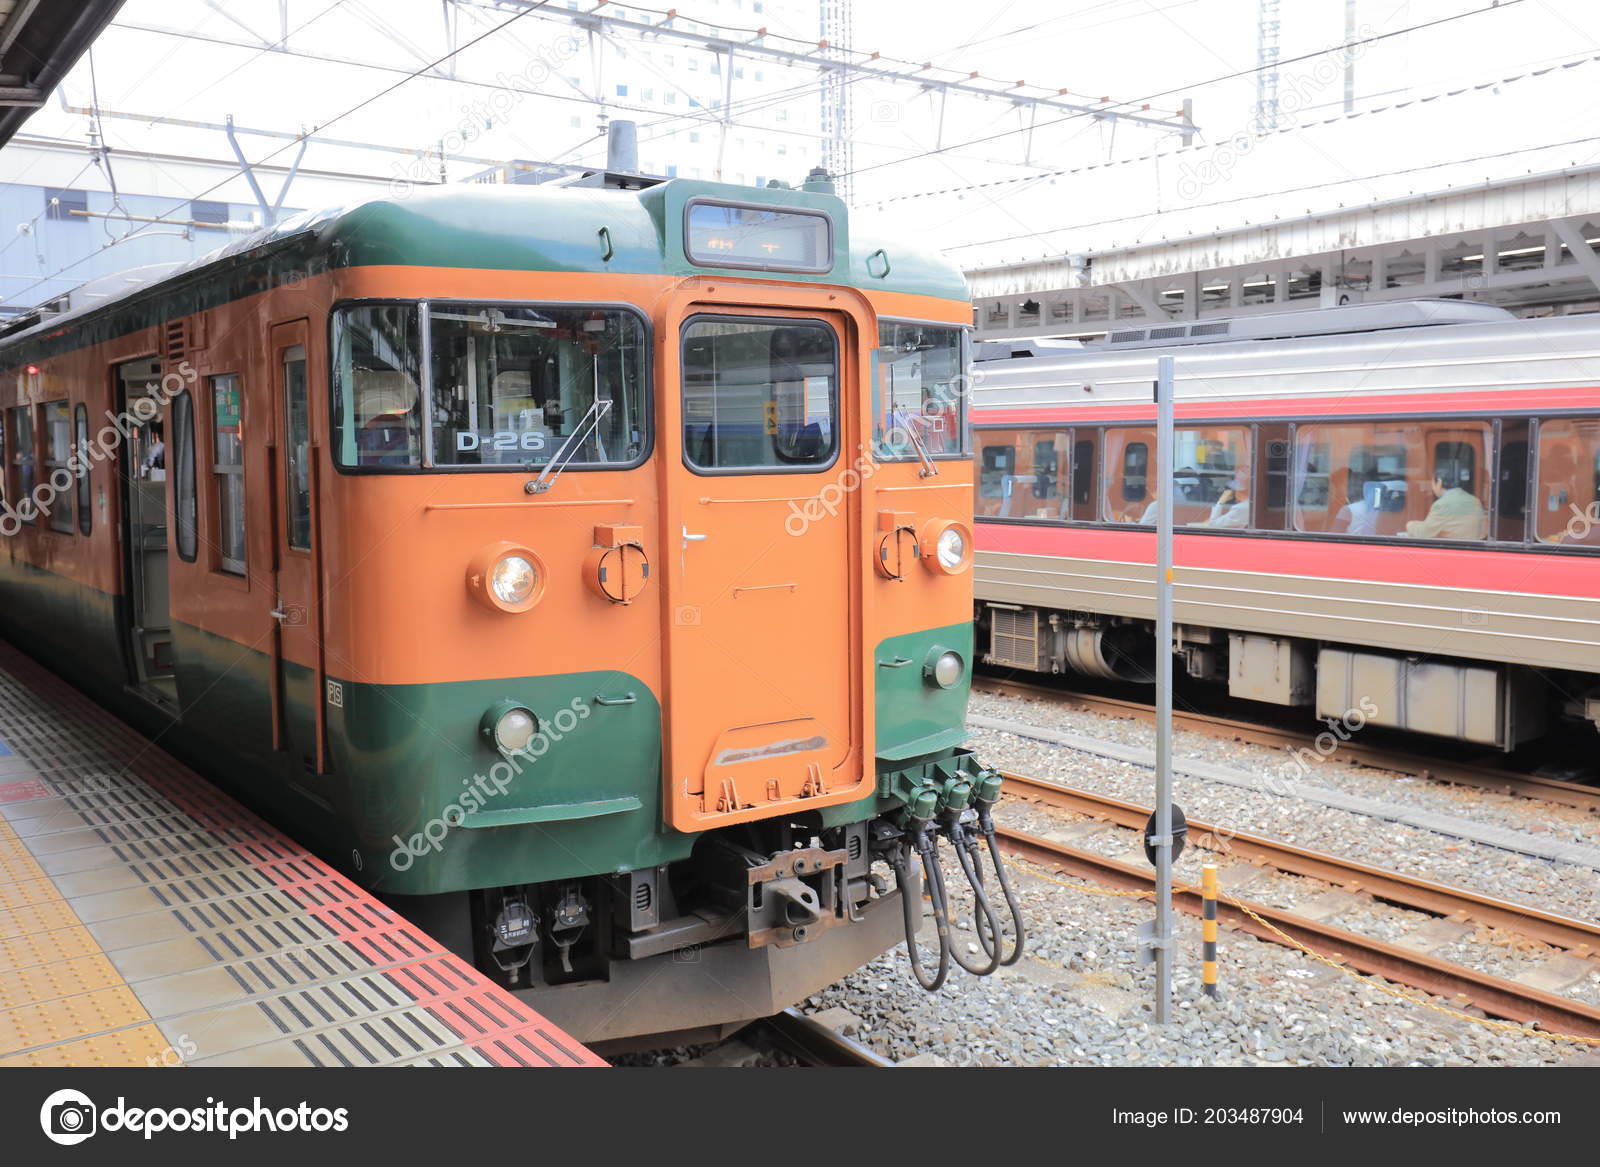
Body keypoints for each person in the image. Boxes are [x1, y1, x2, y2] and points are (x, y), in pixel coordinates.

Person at [1405, 470, 1487, 540]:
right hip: (1473, 550)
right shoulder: (1475, 500)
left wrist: (1410, 525)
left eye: (1432, 484)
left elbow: (1424, 533)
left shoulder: (1442, 505)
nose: (1432, 488)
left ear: (1439, 482)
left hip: (1452, 550)